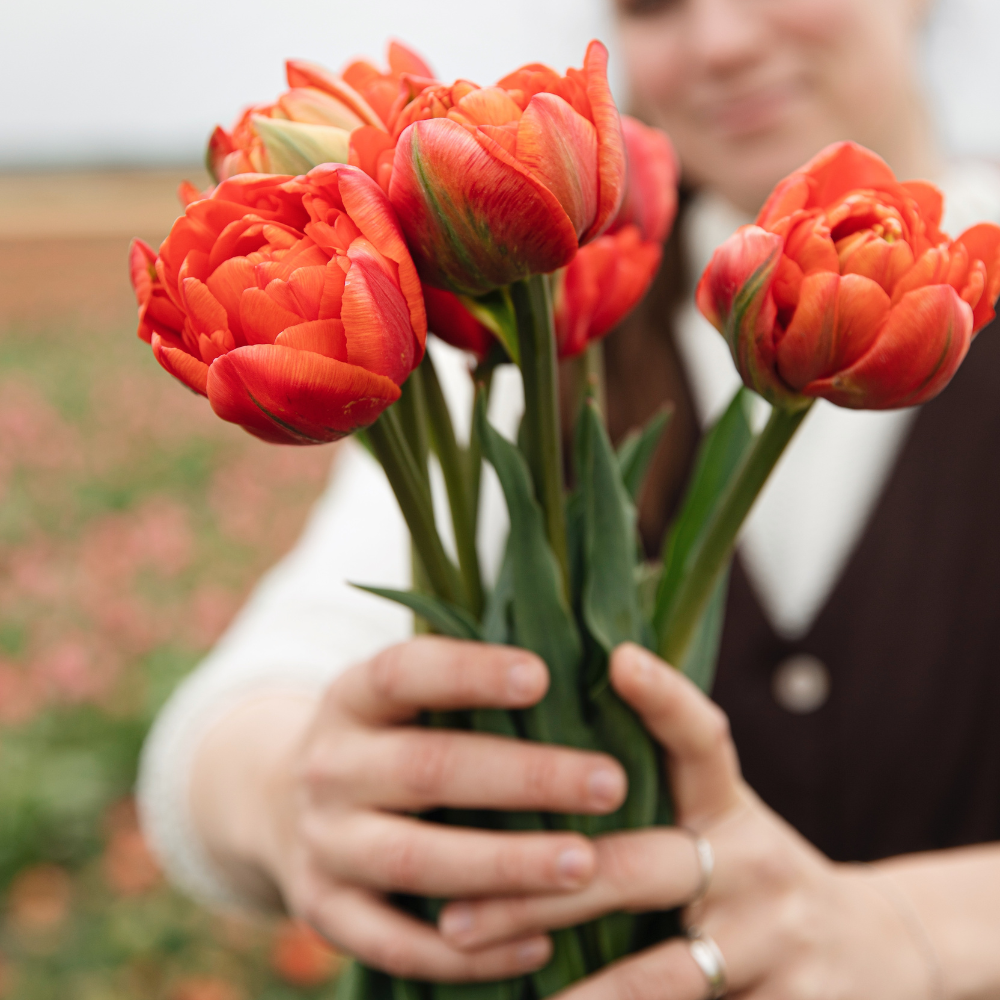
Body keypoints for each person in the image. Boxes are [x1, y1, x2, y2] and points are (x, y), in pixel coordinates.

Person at [138, 0, 1000, 996]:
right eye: (652, 5)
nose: (718, 42)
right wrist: (291, 795)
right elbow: (240, 701)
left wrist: (912, 928)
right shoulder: (518, 315)